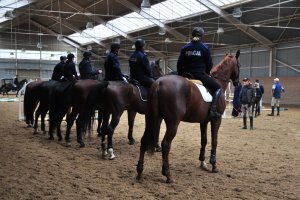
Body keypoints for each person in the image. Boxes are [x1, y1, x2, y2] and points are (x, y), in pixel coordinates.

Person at [177, 27, 221, 118]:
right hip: (199, 74)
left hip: (186, 74)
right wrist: (207, 72)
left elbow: (179, 63)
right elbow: (209, 63)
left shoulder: (185, 48)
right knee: (218, 88)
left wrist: (181, 74)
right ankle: (213, 110)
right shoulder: (204, 48)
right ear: (201, 36)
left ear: (192, 35)